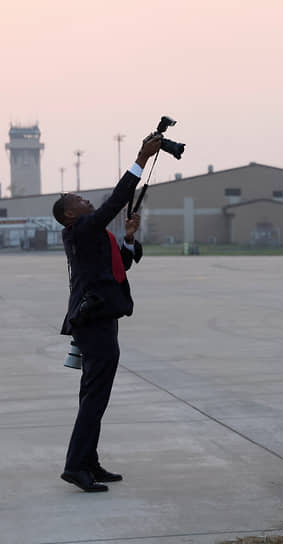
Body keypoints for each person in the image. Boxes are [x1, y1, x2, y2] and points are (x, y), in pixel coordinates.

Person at [53, 133, 161, 492]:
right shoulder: (81, 229)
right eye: (80, 200)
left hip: (101, 318)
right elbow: (115, 201)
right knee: (95, 396)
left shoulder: (92, 235)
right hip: (94, 322)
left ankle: (88, 460)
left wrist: (129, 237)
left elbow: (119, 269)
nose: (87, 201)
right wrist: (140, 159)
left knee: (94, 395)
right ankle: (75, 465)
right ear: (70, 214)